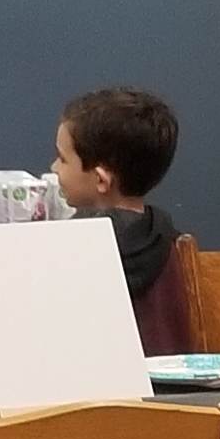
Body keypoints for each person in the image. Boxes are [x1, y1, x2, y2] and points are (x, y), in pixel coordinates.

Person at [52, 87, 192, 354]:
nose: (54, 168)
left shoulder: (69, 248)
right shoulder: (170, 240)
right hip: (174, 390)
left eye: (62, 159)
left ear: (101, 179)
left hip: (92, 394)